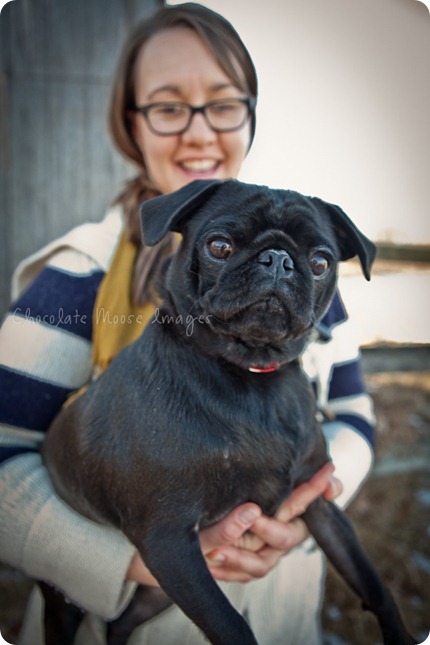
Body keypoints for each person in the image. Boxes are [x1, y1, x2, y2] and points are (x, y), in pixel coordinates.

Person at [0, 3, 375, 644]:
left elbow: (353, 419)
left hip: (285, 618)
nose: (199, 132)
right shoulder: (76, 276)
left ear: (250, 116)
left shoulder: (309, 280)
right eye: (169, 107)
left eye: (224, 104)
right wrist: (131, 560)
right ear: (130, 125)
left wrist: (299, 503)